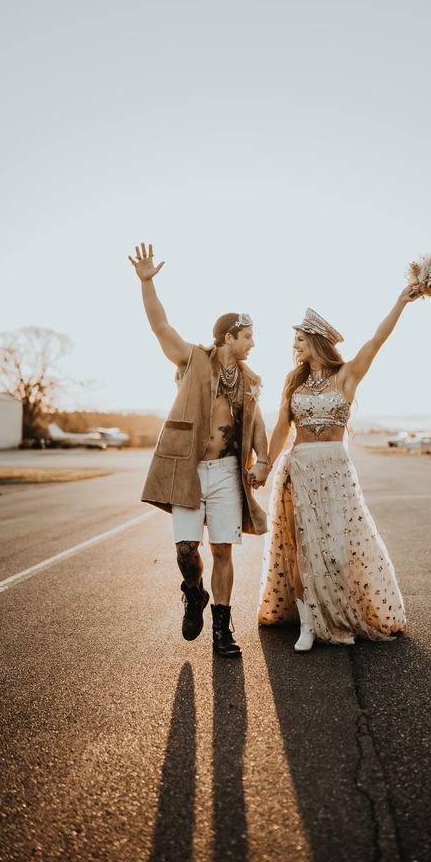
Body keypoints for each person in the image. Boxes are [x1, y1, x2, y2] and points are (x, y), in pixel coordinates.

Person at [256, 287, 419, 651]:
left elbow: (378, 339)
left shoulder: (346, 375)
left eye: (299, 339)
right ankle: (309, 624)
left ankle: (338, 613)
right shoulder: (292, 380)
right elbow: (282, 427)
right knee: (300, 547)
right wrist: (266, 463)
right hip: (298, 467)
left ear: (316, 341)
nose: (294, 346)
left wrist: (400, 303)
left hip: (335, 470)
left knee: (336, 547)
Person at [128, 242, 271, 658]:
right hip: (189, 471)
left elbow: (256, 423)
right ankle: (194, 594)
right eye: (247, 337)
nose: (252, 344)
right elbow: (161, 327)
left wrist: (262, 459)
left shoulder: (249, 381)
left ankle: (223, 632)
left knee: (223, 550)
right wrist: (147, 284)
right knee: (187, 552)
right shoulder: (193, 360)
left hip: (227, 472)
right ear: (229, 337)